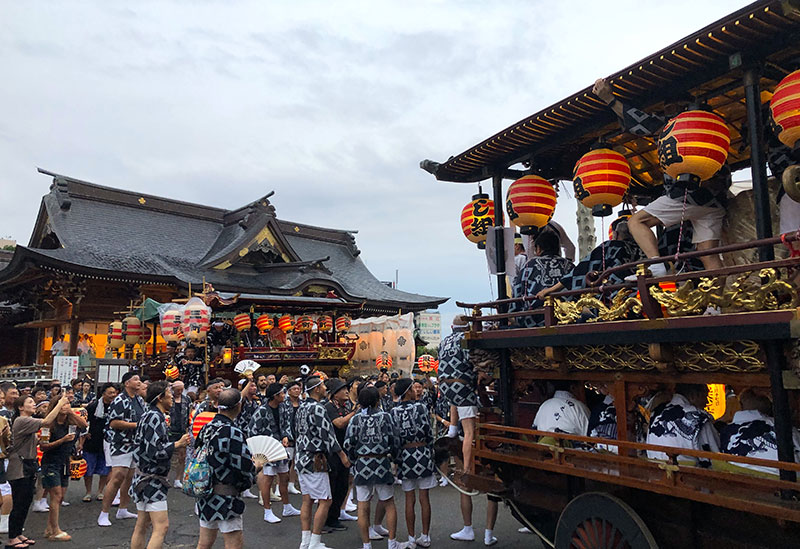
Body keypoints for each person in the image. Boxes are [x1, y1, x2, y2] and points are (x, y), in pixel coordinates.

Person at [593, 77, 728, 276]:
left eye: (668, 109)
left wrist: (610, 100)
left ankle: (656, 265)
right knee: (708, 254)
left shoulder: (679, 124)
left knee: (636, 222)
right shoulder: (714, 128)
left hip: (686, 194)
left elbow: (642, 123)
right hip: (715, 201)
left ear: (679, 107)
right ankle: (716, 307)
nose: (666, 113)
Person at [129, 381, 190, 549]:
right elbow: (155, 452)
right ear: (160, 398)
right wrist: (177, 444)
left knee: (142, 525)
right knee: (161, 527)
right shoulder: (155, 417)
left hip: (143, 477)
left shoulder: (149, 415)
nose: (172, 397)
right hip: (152, 480)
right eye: (169, 395)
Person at [196, 389, 260, 549]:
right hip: (226, 495)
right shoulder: (232, 431)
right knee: (233, 542)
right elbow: (243, 466)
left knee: (204, 543)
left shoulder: (206, 428)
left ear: (218, 405)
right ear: (239, 405)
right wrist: (256, 467)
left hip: (204, 490)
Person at [7, 393, 69, 548]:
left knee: (26, 501)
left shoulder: (29, 422)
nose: (33, 404)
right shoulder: (21, 420)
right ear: (20, 407)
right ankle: (12, 537)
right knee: (19, 502)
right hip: (19, 467)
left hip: (28, 466)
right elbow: (47, 421)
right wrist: (60, 403)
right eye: (30, 402)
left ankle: (18, 533)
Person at [295, 376, 351, 549]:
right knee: (325, 500)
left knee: (307, 500)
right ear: (317, 388)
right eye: (324, 386)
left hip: (301, 456)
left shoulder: (301, 408)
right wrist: (342, 455)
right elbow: (328, 435)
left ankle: (305, 540)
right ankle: (315, 541)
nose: (326, 389)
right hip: (315, 458)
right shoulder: (318, 409)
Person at [344, 386, 401, 549]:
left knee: (362, 505)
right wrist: (395, 457)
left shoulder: (355, 419)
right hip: (382, 462)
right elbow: (394, 439)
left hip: (362, 464)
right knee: (388, 502)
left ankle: (366, 544)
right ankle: (392, 542)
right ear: (378, 400)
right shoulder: (385, 417)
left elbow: (348, 443)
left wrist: (354, 459)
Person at [390, 378, 435, 548]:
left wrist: (396, 459)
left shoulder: (394, 412)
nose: (415, 391)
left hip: (405, 455)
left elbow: (395, 439)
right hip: (422, 453)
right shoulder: (422, 407)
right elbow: (429, 431)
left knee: (409, 498)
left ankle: (411, 538)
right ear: (407, 391)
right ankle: (425, 535)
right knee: (424, 497)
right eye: (412, 388)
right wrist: (431, 450)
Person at [247, 383, 300, 523]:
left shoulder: (283, 408)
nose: (284, 396)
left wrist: (286, 436)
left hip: (280, 447)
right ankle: (267, 510)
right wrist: (260, 448)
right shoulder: (261, 410)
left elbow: (286, 425)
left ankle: (287, 506)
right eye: (282, 394)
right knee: (268, 479)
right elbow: (252, 431)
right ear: (275, 396)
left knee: (284, 476)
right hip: (267, 449)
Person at [98, 371, 145, 526]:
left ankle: (123, 509)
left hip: (135, 443)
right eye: (135, 379)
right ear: (127, 383)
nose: (139, 382)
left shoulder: (139, 399)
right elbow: (114, 423)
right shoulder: (120, 399)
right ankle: (104, 513)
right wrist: (136, 425)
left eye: (139, 380)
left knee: (130, 477)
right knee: (118, 476)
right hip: (121, 442)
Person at [40, 394, 87, 541]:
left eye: (67, 404)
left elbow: (84, 425)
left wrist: (72, 411)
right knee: (56, 495)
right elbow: (43, 446)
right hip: (50, 462)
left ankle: (49, 528)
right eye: (62, 404)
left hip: (64, 462)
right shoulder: (49, 425)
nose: (65, 406)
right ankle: (55, 530)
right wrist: (62, 440)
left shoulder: (70, 422)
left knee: (60, 497)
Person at [720, 389, 800, 476]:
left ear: (740, 406)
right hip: (783, 484)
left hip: (739, 483)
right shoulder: (783, 427)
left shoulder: (726, 431)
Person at [509, 229, 575, 327]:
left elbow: (517, 294)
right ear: (557, 248)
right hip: (568, 319)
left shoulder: (529, 266)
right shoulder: (570, 266)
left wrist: (512, 314)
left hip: (533, 321)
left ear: (538, 249)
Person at [437, 316, 478, 472]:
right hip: (462, 386)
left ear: (452, 327)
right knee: (469, 431)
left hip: (445, 386)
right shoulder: (465, 339)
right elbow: (471, 361)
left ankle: (453, 429)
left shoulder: (444, 342)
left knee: (454, 399)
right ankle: (467, 468)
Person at [647, 384, 720, 465]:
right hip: (687, 474)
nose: (707, 402)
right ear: (694, 395)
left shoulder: (655, 413)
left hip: (655, 471)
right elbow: (716, 457)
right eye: (706, 396)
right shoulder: (699, 418)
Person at [324, 379, 358, 530]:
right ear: (334, 394)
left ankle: (335, 516)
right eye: (342, 389)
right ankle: (327, 519)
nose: (346, 391)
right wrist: (355, 412)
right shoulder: (329, 407)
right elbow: (339, 423)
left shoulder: (345, 407)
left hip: (345, 450)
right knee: (333, 485)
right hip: (333, 452)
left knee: (342, 486)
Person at [82, 382, 118, 502]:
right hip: (92, 440)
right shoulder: (93, 406)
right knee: (88, 469)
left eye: (114, 392)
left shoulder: (116, 406)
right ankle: (88, 492)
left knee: (105, 468)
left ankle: (100, 491)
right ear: (103, 394)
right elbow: (84, 421)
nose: (113, 395)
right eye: (110, 392)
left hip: (108, 441)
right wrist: (84, 433)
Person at [167, 381, 191, 489]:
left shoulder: (186, 399)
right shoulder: (168, 398)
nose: (180, 392)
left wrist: (187, 429)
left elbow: (189, 414)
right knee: (168, 455)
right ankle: (166, 477)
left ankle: (178, 479)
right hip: (169, 430)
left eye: (182, 390)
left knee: (182, 456)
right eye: (178, 390)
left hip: (182, 430)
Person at [281, 380, 303, 496]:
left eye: (298, 389)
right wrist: (284, 434)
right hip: (288, 434)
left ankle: (291, 484)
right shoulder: (284, 404)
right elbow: (282, 420)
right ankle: (280, 486)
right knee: (284, 460)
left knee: (295, 460)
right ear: (288, 391)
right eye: (294, 389)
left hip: (299, 434)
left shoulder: (303, 403)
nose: (297, 391)